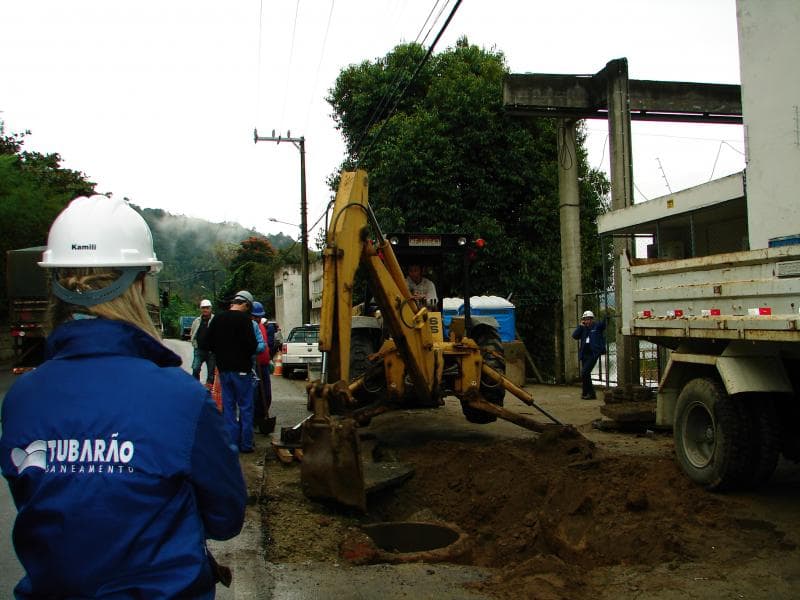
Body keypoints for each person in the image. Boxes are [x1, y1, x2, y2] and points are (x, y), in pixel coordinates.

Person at [0, 195, 246, 598]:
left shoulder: (22, 398)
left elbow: (40, 503)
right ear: (139, 283)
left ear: (56, 282)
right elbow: (225, 518)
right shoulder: (181, 398)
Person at [202, 290, 258, 453]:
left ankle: (232, 443)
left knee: (228, 407)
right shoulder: (245, 320)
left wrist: (221, 350)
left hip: (224, 370)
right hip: (242, 370)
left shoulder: (218, 318)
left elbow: (206, 343)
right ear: (246, 305)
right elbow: (252, 346)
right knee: (246, 407)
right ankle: (246, 444)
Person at [251, 301, 276, 434]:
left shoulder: (261, 326)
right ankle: (255, 420)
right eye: (256, 316)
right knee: (256, 396)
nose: (258, 318)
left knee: (266, 394)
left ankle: (261, 418)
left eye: (259, 316)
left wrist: (270, 359)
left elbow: (265, 344)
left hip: (264, 365)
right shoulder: (251, 326)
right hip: (255, 365)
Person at [572, 309, 607, 400]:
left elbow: (604, 324)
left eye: (588, 319)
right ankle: (585, 392)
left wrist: (606, 316)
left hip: (592, 354)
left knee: (585, 372)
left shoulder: (597, 327)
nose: (587, 321)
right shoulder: (583, 328)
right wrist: (580, 326)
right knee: (586, 374)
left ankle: (591, 393)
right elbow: (574, 336)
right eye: (585, 319)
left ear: (592, 319)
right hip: (584, 354)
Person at [190, 298, 216, 387]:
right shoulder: (197, 321)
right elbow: (193, 333)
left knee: (211, 372)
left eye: (207, 308)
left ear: (210, 309)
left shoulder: (215, 320)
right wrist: (194, 344)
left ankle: (208, 390)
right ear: (200, 309)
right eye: (203, 308)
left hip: (211, 352)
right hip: (199, 350)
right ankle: (195, 386)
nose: (205, 310)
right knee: (195, 368)